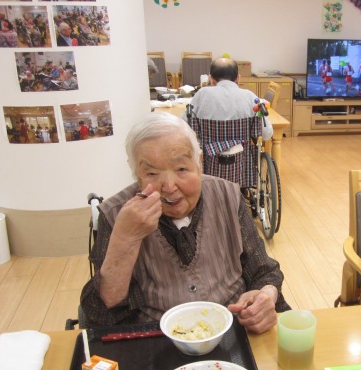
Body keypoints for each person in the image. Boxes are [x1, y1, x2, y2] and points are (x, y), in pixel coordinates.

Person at [80, 112, 289, 332]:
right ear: (136, 175)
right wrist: (125, 240)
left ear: (199, 163)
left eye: (181, 169)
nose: (169, 187)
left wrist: (265, 296)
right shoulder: (116, 215)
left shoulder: (228, 195)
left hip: (234, 331)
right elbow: (101, 314)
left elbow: (264, 271)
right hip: (156, 338)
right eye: (151, 173)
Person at [185, 58, 273, 141]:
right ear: (238, 78)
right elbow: (266, 135)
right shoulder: (250, 96)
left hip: (207, 152)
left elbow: (184, 126)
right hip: (242, 152)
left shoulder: (202, 94)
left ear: (211, 79)